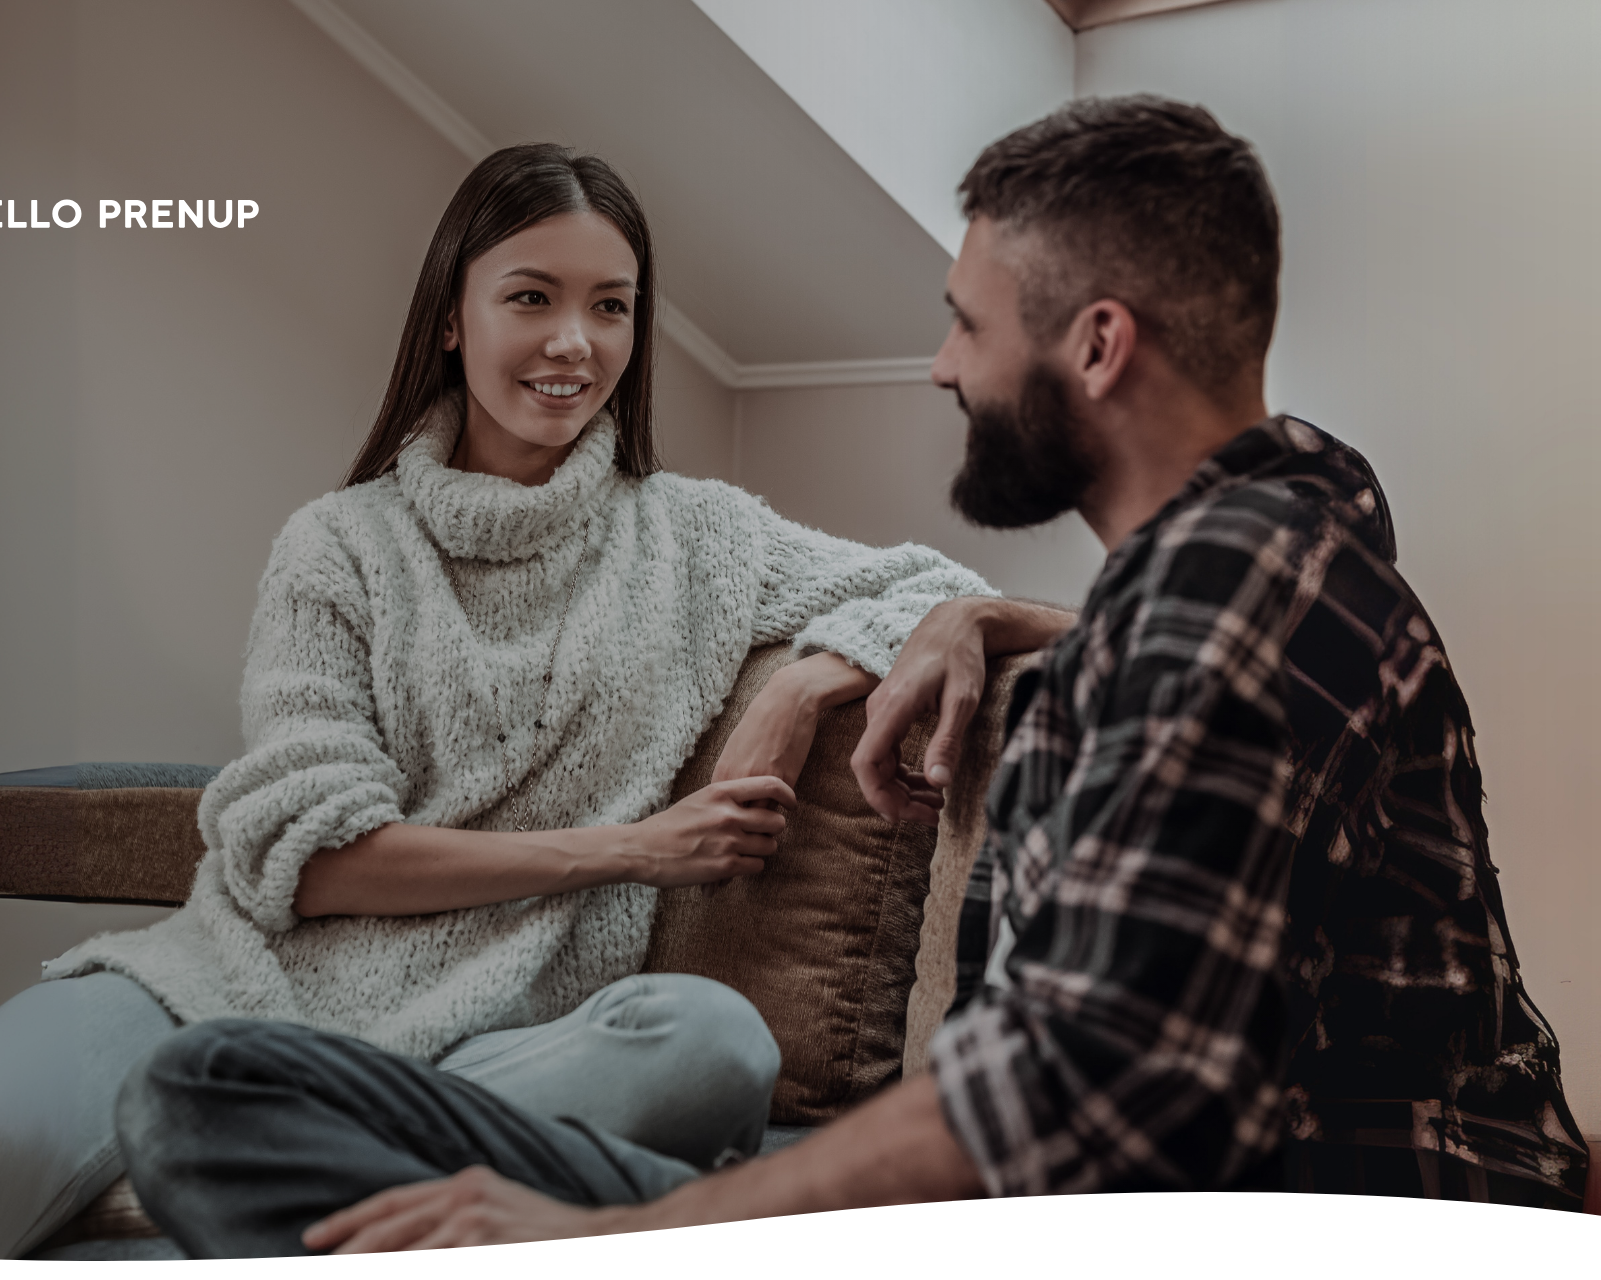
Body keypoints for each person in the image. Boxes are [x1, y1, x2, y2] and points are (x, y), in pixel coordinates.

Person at [110, 97, 1589, 1257]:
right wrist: (970, 625)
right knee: (210, 1096)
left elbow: (1072, 1084)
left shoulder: (1241, 580)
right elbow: (1214, 684)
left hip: (1235, 1226)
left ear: (1096, 343)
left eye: (964, 320)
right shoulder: (1239, 574)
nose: (940, 367)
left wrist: (624, 1233)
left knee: (257, 1128)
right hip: (982, 1210)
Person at [0, 143, 1023, 1259]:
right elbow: (308, 861)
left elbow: (936, 585)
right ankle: (239, 1172)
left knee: (714, 1047)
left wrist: (803, 684)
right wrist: (631, 850)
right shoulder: (340, 546)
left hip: (500, 1046)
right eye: (531, 296)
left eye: (611, 306)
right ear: (451, 318)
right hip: (223, 992)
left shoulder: (696, 539)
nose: (574, 344)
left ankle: (227, 1173)